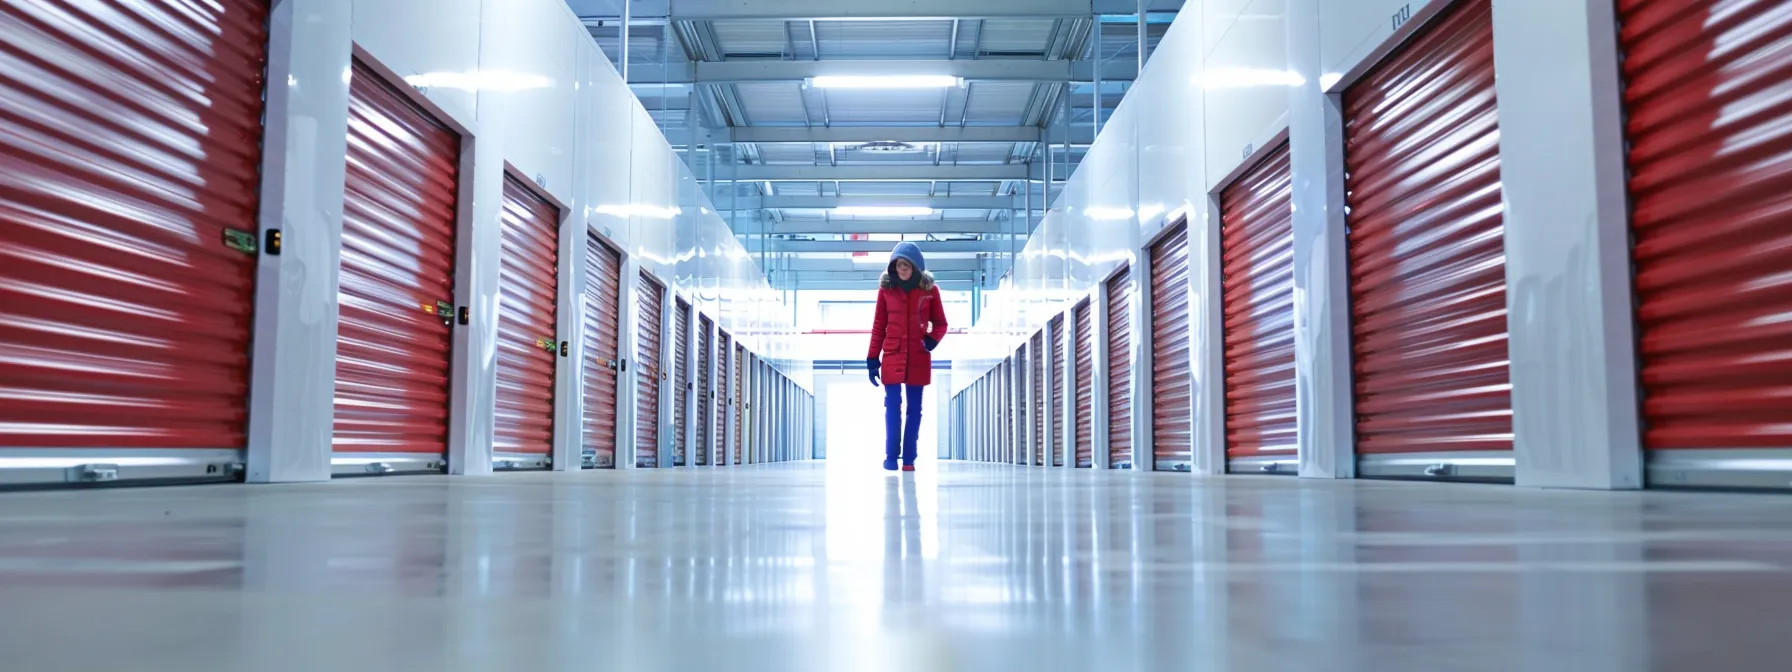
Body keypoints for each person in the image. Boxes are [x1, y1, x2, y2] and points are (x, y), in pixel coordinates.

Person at [867, 242, 948, 472]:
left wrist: (931, 340)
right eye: (898, 265)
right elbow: (878, 326)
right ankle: (891, 455)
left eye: (906, 265)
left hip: (918, 356)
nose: (902, 270)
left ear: (915, 266)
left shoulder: (930, 291)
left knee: (915, 409)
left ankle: (910, 459)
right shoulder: (886, 290)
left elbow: (941, 323)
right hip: (892, 354)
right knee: (892, 406)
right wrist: (872, 359)